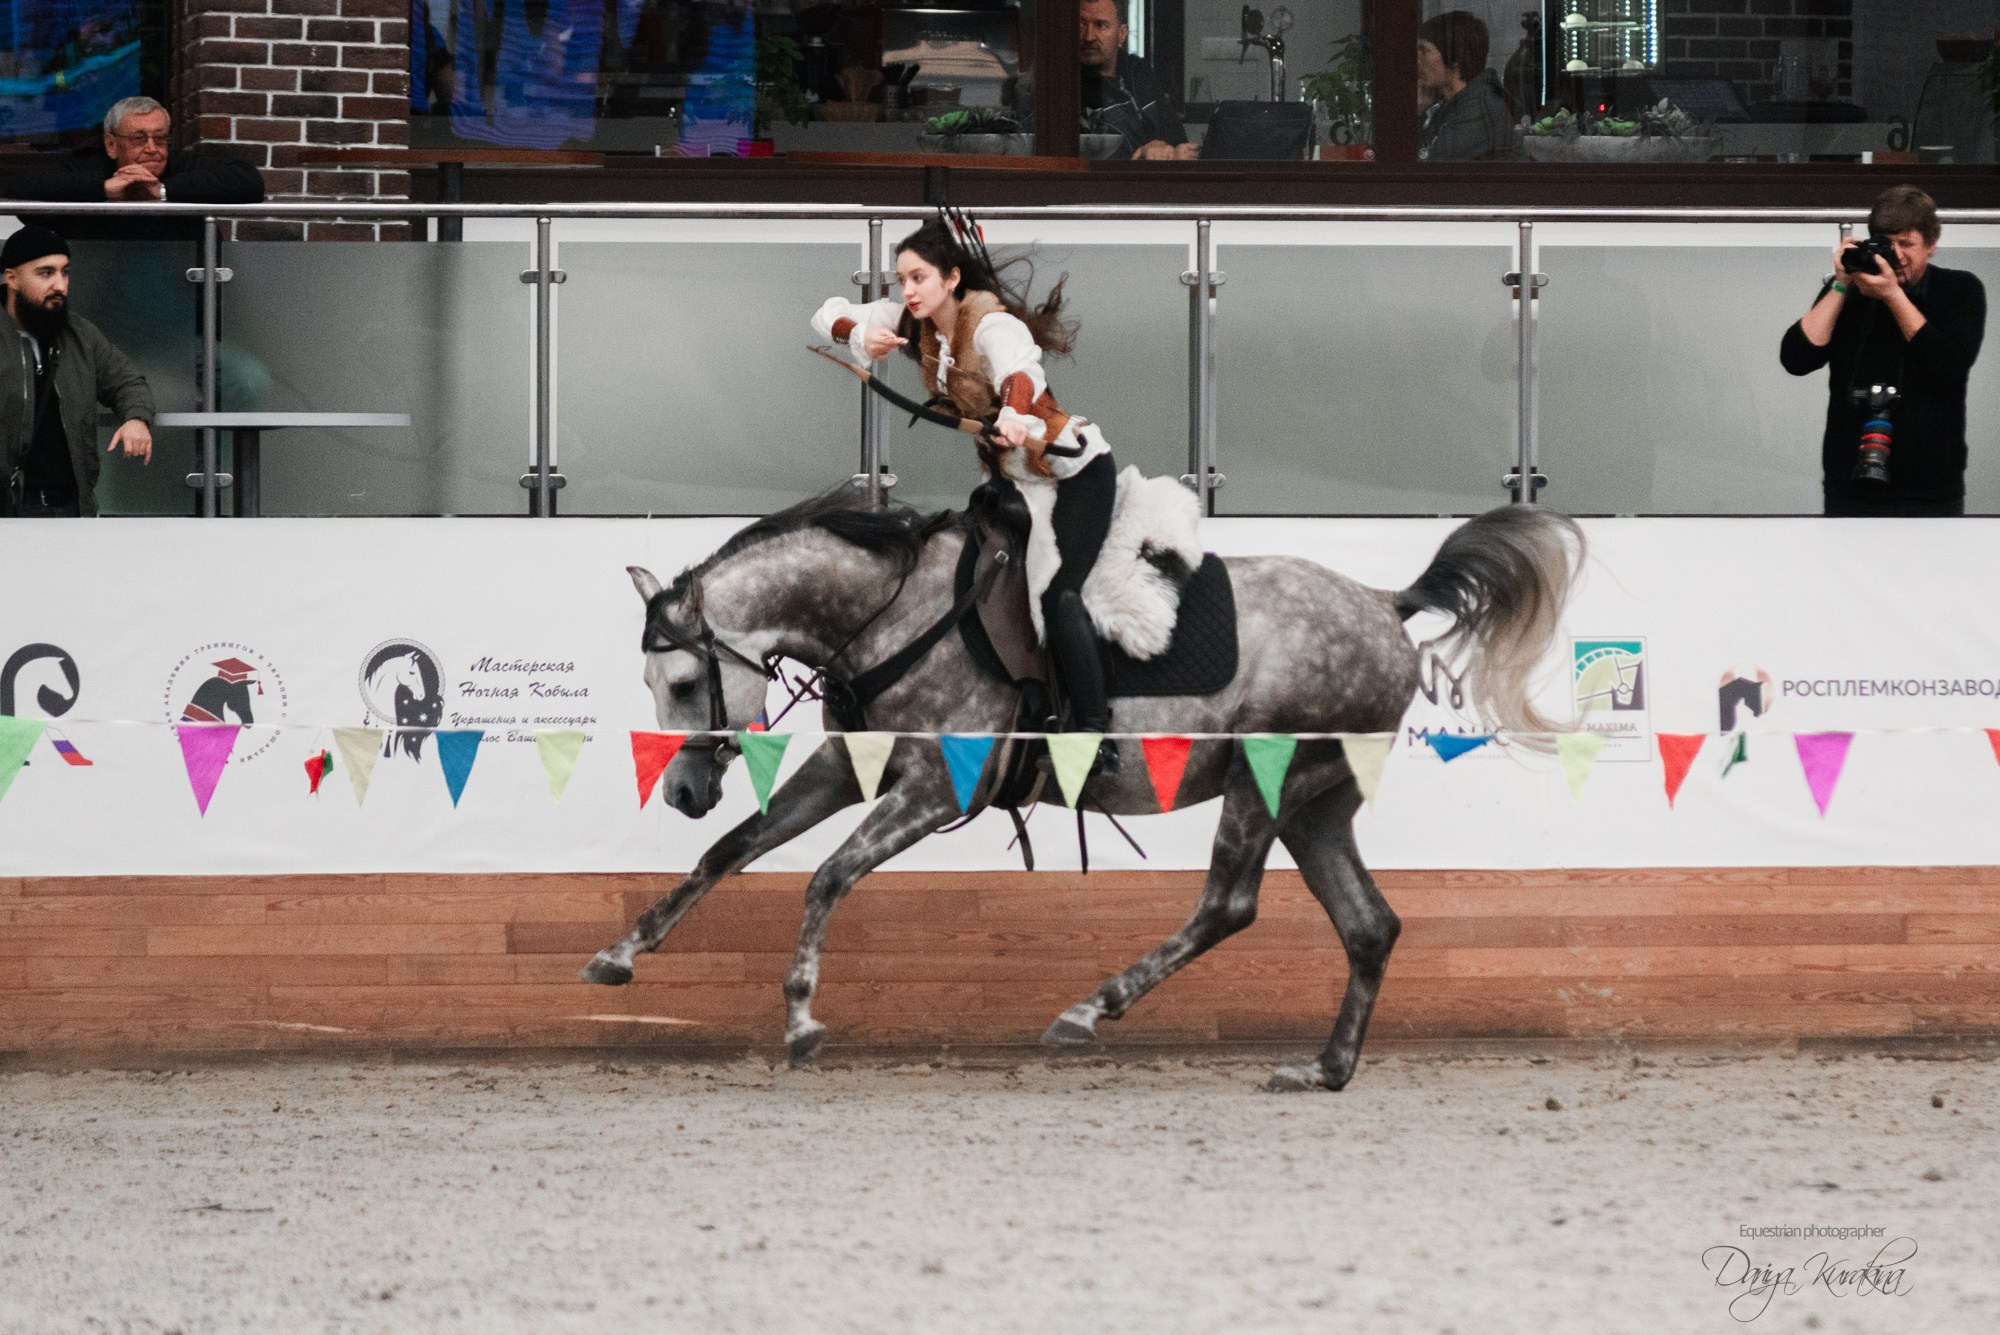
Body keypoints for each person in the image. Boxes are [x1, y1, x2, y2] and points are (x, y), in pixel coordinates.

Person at [812, 218, 1122, 765]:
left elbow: (1019, 373)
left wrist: (1012, 413)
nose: (908, 291)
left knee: (1058, 595)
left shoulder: (990, 323)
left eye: (919, 278)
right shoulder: (915, 322)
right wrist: (857, 336)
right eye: (902, 280)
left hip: (1073, 474)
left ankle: (1096, 735)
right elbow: (825, 314)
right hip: (1012, 482)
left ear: (952, 278)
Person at [1781, 186, 1987, 516]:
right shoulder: (1852, 290)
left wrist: (1892, 296)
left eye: (1907, 244)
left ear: (1931, 244)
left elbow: (1948, 364)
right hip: (1850, 483)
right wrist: (1841, 284)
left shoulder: (1960, 289)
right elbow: (1796, 359)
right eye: (1888, 244)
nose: (1897, 255)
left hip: (1930, 488)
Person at [2, 227, 156, 518]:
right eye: (46, 273)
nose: (60, 285)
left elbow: (127, 381)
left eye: (65, 272)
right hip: (10, 512)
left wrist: (136, 418)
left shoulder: (79, 334)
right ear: (12, 279)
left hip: (72, 507)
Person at [3, 97, 265, 240]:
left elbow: (249, 182)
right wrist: (103, 189)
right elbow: (18, 185)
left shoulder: (181, 165)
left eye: (160, 138)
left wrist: (163, 191)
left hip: (181, 291)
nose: (152, 148)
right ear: (111, 145)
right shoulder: (90, 166)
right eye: (139, 139)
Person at [1079, 0, 1196, 162]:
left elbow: (1176, 136)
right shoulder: (1067, 84)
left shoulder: (1140, 73)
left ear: (1122, 34)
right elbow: (1087, 156)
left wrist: (1170, 150)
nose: (1089, 36)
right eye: (1081, 24)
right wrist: (1143, 155)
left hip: (1161, 174)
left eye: (1101, 25)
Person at [1417, 12, 1520, 162]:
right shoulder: (1450, 104)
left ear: (1454, 56)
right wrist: (1420, 110)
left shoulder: (1479, 110)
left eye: (1424, 51)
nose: (1417, 60)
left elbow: (1423, 167)